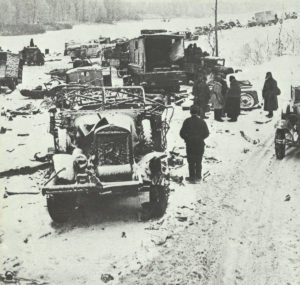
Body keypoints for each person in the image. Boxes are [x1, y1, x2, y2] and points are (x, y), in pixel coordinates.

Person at [180, 105, 210, 183]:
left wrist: (187, 138)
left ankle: (192, 177)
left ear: (190, 112)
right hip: (199, 144)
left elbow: (182, 133)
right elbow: (206, 133)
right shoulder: (202, 121)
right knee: (198, 161)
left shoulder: (187, 121)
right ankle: (198, 176)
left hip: (190, 144)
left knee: (191, 161)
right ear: (198, 112)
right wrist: (200, 138)